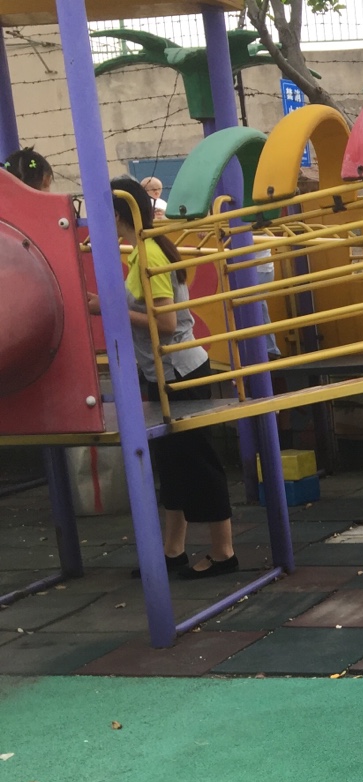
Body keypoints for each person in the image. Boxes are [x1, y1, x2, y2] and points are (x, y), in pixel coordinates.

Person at [88, 177, 237, 578]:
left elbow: (167, 323)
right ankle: (173, 551)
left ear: (116, 216)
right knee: (172, 464)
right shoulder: (143, 250)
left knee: (197, 461)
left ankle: (224, 553)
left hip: (179, 370)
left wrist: (109, 310)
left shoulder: (150, 253)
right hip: (162, 371)